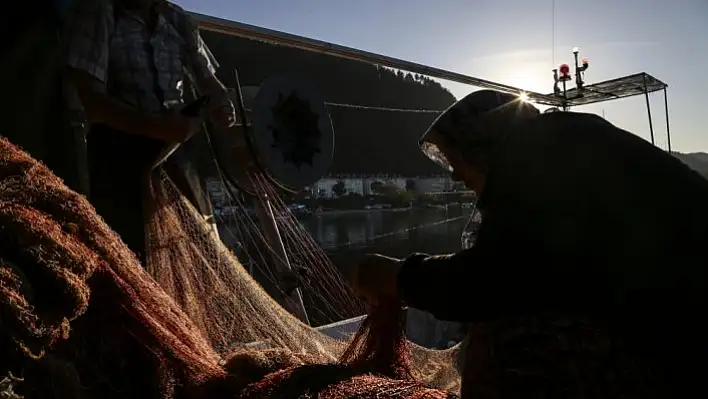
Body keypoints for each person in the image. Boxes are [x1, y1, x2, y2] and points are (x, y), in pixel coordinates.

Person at [353, 90, 708, 398]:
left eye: (455, 158)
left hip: (680, 341)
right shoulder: (562, 142)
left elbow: (488, 282)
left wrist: (397, 276)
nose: (454, 175)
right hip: (670, 320)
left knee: (504, 340)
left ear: (482, 144)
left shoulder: (540, 160)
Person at [64, 0, 236, 263]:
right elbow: (91, 100)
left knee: (202, 250)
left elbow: (211, 84)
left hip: (174, 150)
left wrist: (223, 106)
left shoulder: (178, 20)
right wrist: (155, 127)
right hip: (118, 156)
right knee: (131, 258)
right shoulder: (100, 11)